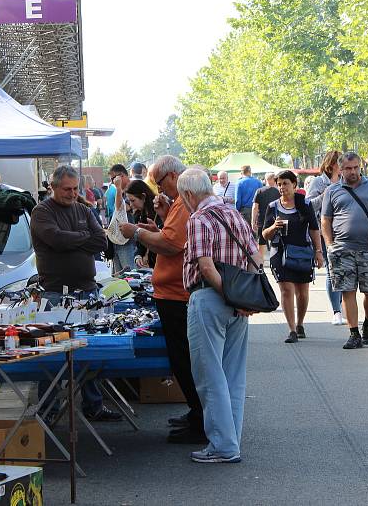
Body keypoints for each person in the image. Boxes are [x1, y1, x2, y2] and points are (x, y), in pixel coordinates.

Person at [119, 155, 205, 444]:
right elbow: (173, 237)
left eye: (158, 182)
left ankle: (200, 418)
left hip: (177, 294)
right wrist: (160, 223)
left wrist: (138, 233)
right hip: (174, 291)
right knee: (183, 359)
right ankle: (197, 414)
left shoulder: (182, 201)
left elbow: (171, 244)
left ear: (172, 177)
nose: (157, 189)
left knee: (185, 360)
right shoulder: (178, 203)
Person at [179, 167, 260, 463]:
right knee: (233, 376)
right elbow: (255, 256)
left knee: (209, 375)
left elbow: (206, 267)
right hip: (237, 303)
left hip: (209, 299)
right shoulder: (233, 213)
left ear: (189, 194)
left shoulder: (199, 218)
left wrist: (229, 295)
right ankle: (230, 441)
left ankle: (223, 446)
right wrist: (244, 298)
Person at [29, 165, 122, 420]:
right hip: (55, 294)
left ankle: (94, 405)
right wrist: (83, 238)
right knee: (53, 351)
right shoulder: (41, 212)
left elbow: (101, 242)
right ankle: (48, 409)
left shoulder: (83, 209)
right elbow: (55, 239)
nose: (72, 194)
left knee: (89, 350)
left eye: (74, 189)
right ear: (53, 187)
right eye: (66, 189)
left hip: (87, 291)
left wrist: (73, 240)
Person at [321, 152, 368, 349]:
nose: (353, 172)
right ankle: (354, 333)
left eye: (356, 168)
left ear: (360, 167)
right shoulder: (332, 190)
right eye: (348, 168)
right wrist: (329, 245)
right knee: (347, 291)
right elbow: (325, 219)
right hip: (342, 250)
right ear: (340, 170)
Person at [263, 170, 324, 343]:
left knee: (302, 292)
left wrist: (318, 252)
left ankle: (300, 323)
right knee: (286, 290)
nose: (282, 187)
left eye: (285, 183)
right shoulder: (273, 207)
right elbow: (265, 234)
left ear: (295, 185)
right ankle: (291, 330)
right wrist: (274, 227)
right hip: (280, 253)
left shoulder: (304, 204)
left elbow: (314, 228)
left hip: (302, 253)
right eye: (279, 184)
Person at [306, 151, 345, 325]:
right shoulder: (318, 182)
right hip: (324, 232)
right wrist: (326, 194)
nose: (343, 165)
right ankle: (336, 311)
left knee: (344, 271)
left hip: (345, 232)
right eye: (340, 162)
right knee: (332, 270)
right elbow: (308, 205)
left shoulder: (346, 181)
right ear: (331, 165)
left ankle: (342, 306)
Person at [107, 164, 136, 274]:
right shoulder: (121, 191)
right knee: (119, 277)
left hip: (127, 241)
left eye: (114, 178)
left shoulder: (132, 188)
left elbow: (121, 207)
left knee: (130, 275)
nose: (112, 181)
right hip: (118, 239)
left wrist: (118, 188)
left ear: (122, 175)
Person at [124, 179, 161, 268]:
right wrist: (138, 256)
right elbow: (140, 243)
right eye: (129, 201)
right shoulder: (139, 214)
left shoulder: (160, 212)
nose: (131, 205)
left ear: (143, 197)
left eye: (133, 200)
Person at [252, 174, 280, 259]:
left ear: (265, 179)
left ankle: (260, 265)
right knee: (276, 243)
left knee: (261, 243)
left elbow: (255, 207)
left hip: (262, 220)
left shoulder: (259, 191)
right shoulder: (279, 191)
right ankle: (275, 261)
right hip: (275, 220)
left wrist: (253, 222)